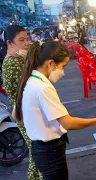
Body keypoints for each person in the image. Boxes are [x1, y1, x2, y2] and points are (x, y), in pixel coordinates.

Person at [13, 41, 96, 180]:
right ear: (50, 63)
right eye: (63, 66)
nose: (63, 72)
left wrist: (36, 126)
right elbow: (68, 123)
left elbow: (17, 117)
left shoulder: (30, 81)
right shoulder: (43, 88)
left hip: (41, 149)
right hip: (49, 151)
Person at [1, 25, 42, 180]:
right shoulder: (13, 63)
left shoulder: (18, 59)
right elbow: (28, 90)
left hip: (25, 113)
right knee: (38, 154)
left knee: (35, 153)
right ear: (10, 44)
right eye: (21, 40)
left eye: (27, 39)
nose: (26, 43)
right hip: (26, 114)